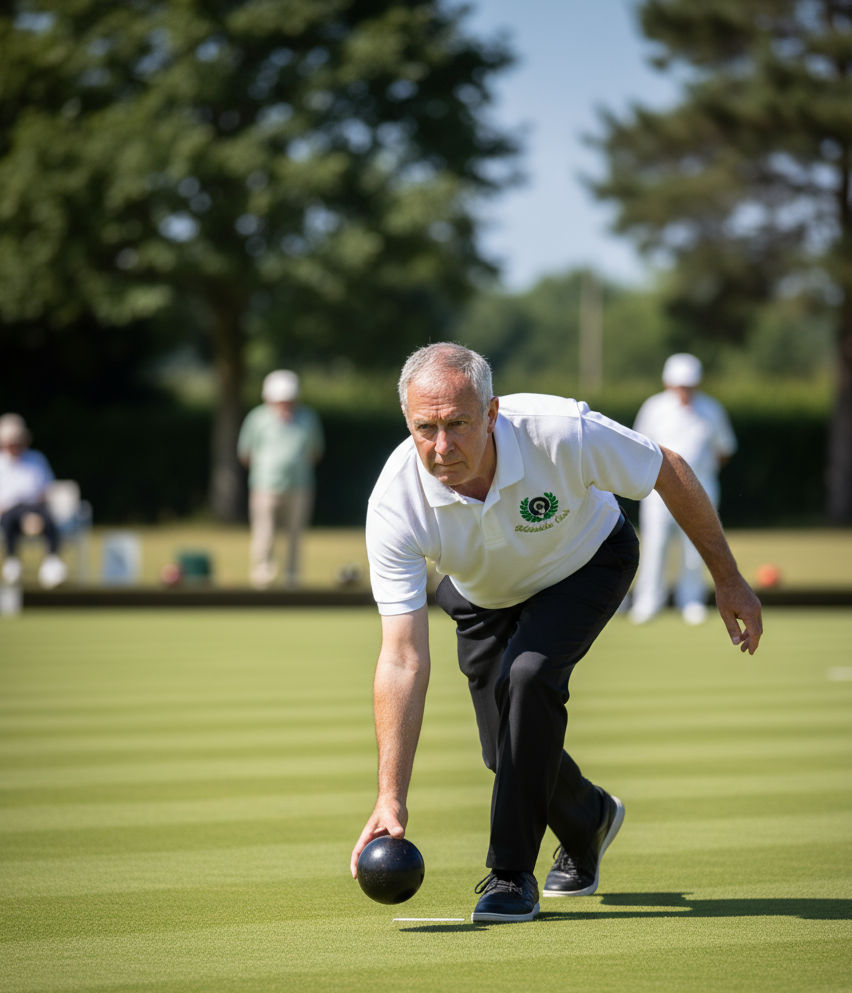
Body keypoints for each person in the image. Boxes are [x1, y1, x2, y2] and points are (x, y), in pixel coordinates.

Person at [350, 343, 762, 923]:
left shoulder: (560, 430)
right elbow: (402, 659)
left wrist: (728, 578)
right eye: (426, 428)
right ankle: (588, 816)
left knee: (530, 675)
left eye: (459, 424)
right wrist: (391, 795)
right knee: (506, 752)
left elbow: (667, 467)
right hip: (483, 597)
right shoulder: (395, 504)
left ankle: (511, 875)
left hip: (587, 562)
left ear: (491, 413)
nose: (442, 447)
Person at [629, 353, 737, 625]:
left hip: (703, 488)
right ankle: (648, 601)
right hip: (657, 492)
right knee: (655, 544)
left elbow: (724, 449)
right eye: (680, 384)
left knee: (698, 545)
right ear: (668, 383)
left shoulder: (712, 409)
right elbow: (637, 446)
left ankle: (691, 600)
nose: (685, 390)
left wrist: (702, 472)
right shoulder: (653, 408)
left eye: (689, 384)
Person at [237, 370, 325, 588]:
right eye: (280, 400)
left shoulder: (308, 417)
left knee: (295, 535)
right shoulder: (256, 418)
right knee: (264, 534)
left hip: (301, 486)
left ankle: (292, 578)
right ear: (269, 399)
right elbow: (245, 453)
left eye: (289, 399)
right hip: (264, 486)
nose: (285, 404)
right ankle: (262, 578)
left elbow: (316, 451)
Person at [0, 413, 68, 589]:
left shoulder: (37, 459)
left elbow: (47, 488)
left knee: (48, 517)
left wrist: (39, 505)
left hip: (35, 509)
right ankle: (12, 561)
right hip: (8, 511)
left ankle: (52, 561)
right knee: (8, 520)